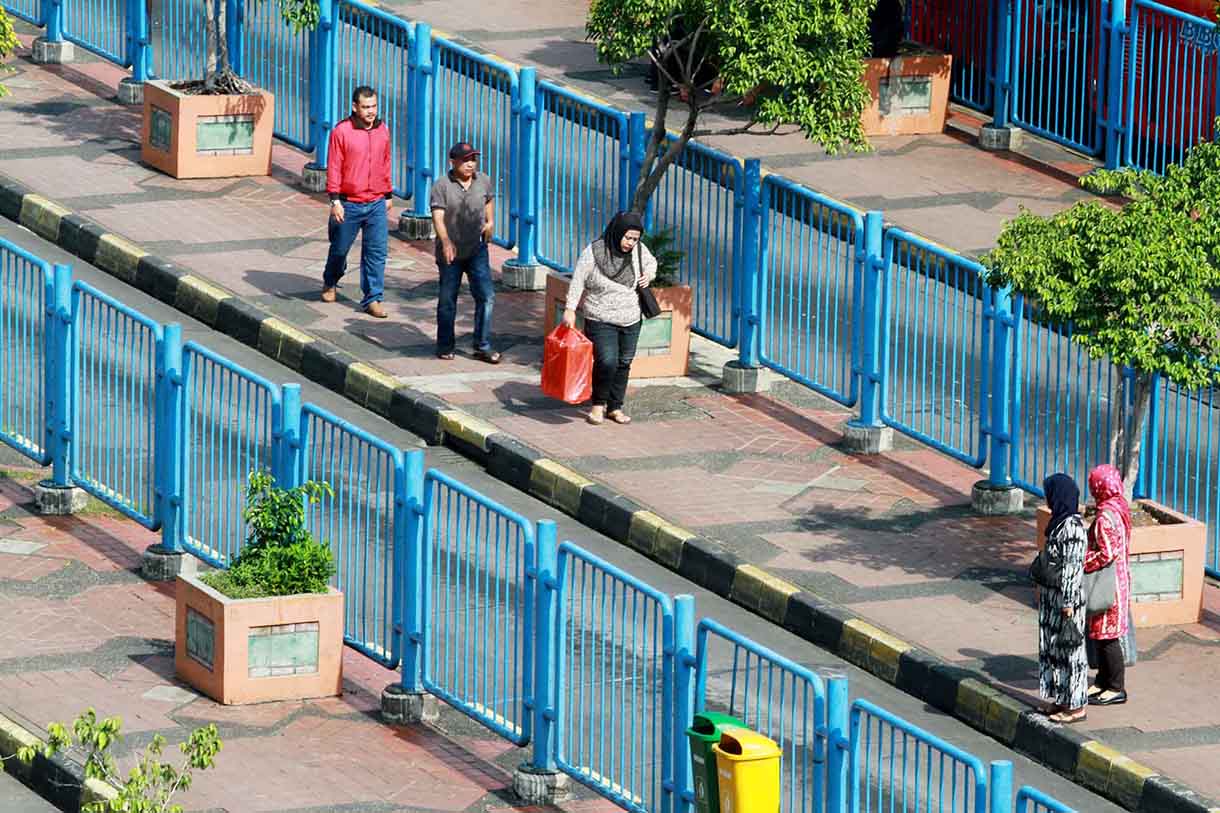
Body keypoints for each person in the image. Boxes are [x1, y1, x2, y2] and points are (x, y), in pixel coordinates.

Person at [562, 212, 656, 425]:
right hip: (600, 316)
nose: (630, 243)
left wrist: (648, 275)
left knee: (624, 362)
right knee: (607, 361)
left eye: (635, 239)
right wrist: (570, 308)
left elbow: (651, 263)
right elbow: (578, 280)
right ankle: (598, 405)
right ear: (617, 232)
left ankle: (615, 407)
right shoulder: (595, 252)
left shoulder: (639, 251)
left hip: (631, 318)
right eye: (627, 238)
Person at [322, 85, 393, 319]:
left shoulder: (383, 129)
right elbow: (334, 167)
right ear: (355, 107)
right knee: (340, 249)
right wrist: (335, 200)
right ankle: (331, 280)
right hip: (348, 202)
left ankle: (373, 298)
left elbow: (385, 162)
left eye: (373, 106)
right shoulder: (341, 132)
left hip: (375, 203)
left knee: (376, 252)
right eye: (365, 107)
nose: (371, 111)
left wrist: (388, 194)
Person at [430, 141, 500, 364]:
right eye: (465, 160)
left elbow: (488, 200)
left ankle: (482, 344)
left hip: (476, 248)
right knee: (447, 300)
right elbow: (438, 217)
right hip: (451, 252)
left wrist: (490, 222)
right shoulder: (442, 186)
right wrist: (446, 241)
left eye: (473, 159)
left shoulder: (483, 180)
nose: (470, 164)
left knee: (486, 296)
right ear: (453, 162)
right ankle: (445, 345)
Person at [1037, 473, 1089, 724]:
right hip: (1052, 600)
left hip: (1066, 603)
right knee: (1054, 649)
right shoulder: (1059, 522)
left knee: (1071, 652)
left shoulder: (1073, 528)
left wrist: (1068, 604)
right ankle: (1061, 698)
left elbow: (1072, 568)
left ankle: (1076, 705)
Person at [1085, 464, 1133, 707]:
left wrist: (1083, 562)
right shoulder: (1119, 507)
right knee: (1102, 634)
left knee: (1107, 638)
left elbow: (1106, 553)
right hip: (1120, 580)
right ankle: (1103, 680)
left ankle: (1115, 686)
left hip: (1108, 585)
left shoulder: (1105, 517)